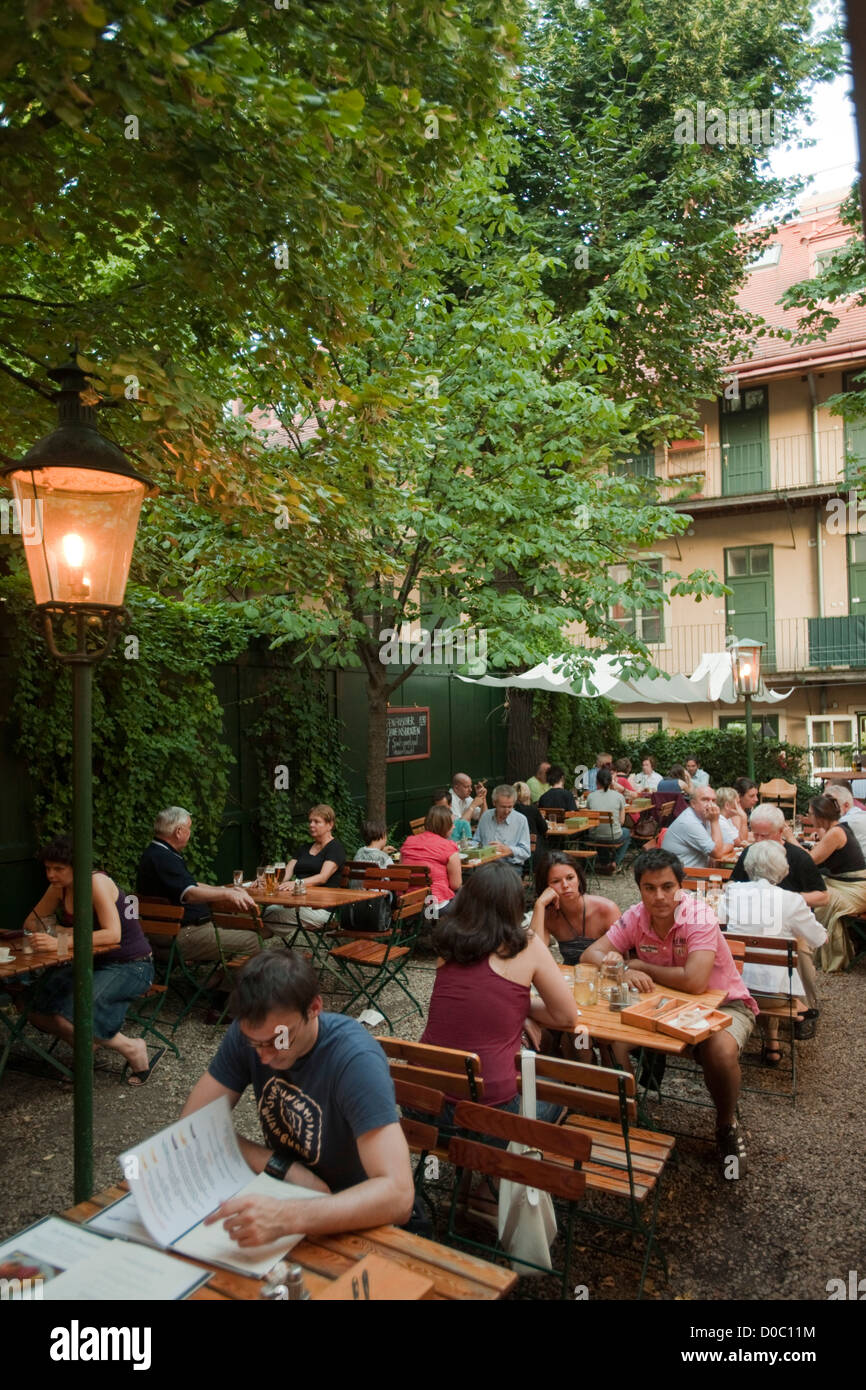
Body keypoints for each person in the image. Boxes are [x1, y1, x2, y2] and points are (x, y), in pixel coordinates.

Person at [181, 952, 415, 1245]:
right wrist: (283, 1167)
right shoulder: (251, 1032)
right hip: (289, 1197)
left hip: (358, 1218)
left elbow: (399, 1197)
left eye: (279, 1040)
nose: (265, 1055)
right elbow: (192, 1127)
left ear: (314, 1007)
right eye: (255, 1044)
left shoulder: (355, 1060)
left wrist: (287, 1216)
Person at [582, 849, 757, 1175]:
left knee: (717, 1051)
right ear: (639, 888)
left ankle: (725, 1124)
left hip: (723, 1005)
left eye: (667, 887)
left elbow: (694, 981)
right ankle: (628, 1120)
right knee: (610, 1039)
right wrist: (622, 970)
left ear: (681, 886)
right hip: (659, 1006)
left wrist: (638, 964)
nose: (659, 896)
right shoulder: (635, 916)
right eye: (649, 888)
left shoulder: (699, 916)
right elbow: (591, 954)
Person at [419, 862, 578, 1116]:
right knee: (558, 1089)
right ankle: (516, 1154)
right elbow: (566, 1016)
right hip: (490, 1113)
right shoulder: (526, 944)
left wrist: (516, 1008)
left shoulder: (447, 944)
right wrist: (520, 1009)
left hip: (422, 1102)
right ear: (514, 906)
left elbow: (474, 1001)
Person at [26, 836, 162, 1085]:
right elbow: (32, 922)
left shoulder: (95, 882)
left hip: (131, 965)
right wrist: (58, 932)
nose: (51, 875)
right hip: (90, 963)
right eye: (47, 868)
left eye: (58, 869)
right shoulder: (59, 886)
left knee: (71, 1013)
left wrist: (61, 940)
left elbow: (113, 934)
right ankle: (87, 1044)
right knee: (35, 1009)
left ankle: (133, 1048)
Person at [718, 841, 827, 1062]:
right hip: (775, 997)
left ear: (748, 866)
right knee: (774, 973)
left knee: (760, 968)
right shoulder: (792, 900)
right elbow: (819, 938)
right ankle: (773, 1045)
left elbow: (720, 924)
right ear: (783, 869)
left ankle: (772, 1045)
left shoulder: (732, 892)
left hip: (734, 988)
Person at [136, 807, 263, 965]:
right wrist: (228, 895)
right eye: (189, 828)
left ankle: (218, 979)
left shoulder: (156, 852)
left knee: (234, 929)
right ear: (179, 831)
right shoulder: (164, 858)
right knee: (253, 940)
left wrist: (224, 890)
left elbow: (190, 884)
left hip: (164, 932)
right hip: (181, 934)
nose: (190, 833)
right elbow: (190, 893)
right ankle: (221, 985)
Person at [266, 804, 348, 937]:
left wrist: (296, 883)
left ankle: (253, 946)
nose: (311, 825)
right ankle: (257, 947)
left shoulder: (335, 848)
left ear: (330, 825)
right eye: (310, 821)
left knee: (272, 914)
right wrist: (267, 880)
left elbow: (323, 877)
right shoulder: (304, 848)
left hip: (320, 908)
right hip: (298, 902)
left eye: (317, 821)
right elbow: (286, 874)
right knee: (270, 910)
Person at [806, 794, 866, 972]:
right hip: (850, 884)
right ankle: (814, 946)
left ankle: (823, 952)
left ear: (819, 816)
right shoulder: (836, 829)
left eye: (810, 813)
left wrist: (788, 837)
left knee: (821, 897)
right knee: (816, 885)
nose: (808, 817)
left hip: (856, 889)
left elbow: (809, 861)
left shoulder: (836, 833)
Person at [729, 804, 827, 909]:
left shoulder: (799, 857)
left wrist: (786, 899)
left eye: (764, 835)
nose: (758, 840)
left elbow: (823, 897)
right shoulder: (750, 851)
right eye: (755, 834)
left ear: (780, 831)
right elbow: (733, 882)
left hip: (790, 916)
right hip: (755, 916)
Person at [534, 852, 620, 964]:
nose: (565, 885)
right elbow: (534, 957)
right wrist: (539, 904)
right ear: (546, 887)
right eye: (556, 881)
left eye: (570, 878)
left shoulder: (607, 909)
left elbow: (627, 956)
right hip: (570, 978)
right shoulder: (548, 915)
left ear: (578, 879)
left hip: (605, 977)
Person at [399, 805, 462, 908]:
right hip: (435, 904)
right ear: (445, 825)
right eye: (452, 824)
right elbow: (456, 884)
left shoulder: (408, 842)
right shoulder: (449, 846)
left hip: (407, 902)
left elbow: (402, 869)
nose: (454, 827)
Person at [656, 784, 724, 869]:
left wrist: (713, 854)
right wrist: (715, 821)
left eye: (713, 801)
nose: (711, 805)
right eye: (705, 800)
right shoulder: (689, 822)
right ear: (693, 803)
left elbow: (725, 843)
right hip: (684, 878)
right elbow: (718, 853)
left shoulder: (705, 816)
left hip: (697, 873)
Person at [341, 819, 393, 932]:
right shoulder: (385, 859)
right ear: (383, 835)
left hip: (357, 902)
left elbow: (371, 854)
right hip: (377, 906)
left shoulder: (359, 852)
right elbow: (392, 881)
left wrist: (382, 851)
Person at [475, 784, 532, 869]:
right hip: (485, 864)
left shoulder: (521, 820)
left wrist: (508, 850)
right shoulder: (486, 816)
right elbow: (476, 841)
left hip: (509, 866)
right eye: (503, 807)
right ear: (494, 802)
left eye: (510, 807)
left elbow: (526, 852)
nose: (507, 811)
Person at [586, 766, 631, 872]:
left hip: (594, 835)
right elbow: (622, 821)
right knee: (627, 832)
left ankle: (604, 862)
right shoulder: (619, 797)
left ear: (597, 781)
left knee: (601, 831)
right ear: (611, 782)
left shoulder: (591, 797)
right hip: (613, 836)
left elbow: (589, 817)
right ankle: (616, 862)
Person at [825, 783, 866, 859]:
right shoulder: (860, 813)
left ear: (846, 805)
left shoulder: (845, 821)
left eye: (832, 805)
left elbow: (823, 846)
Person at [513, 781, 549, 852]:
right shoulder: (533, 810)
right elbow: (544, 828)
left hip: (514, 847)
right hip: (533, 849)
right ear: (528, 794)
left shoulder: (510, 810)